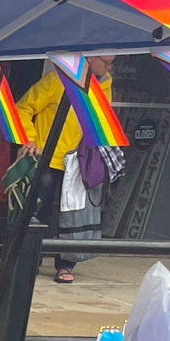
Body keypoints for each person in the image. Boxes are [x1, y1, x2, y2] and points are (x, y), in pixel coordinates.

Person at [17, 55, 114, 283]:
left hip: (80, 161)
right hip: (48, 158)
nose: (109, 67)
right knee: (38, 212)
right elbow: (22, 108)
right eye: (106, 61)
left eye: (112, 63)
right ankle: (29, 262)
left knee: (73, 216)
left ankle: (66, 265)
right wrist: (29, 139)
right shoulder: (55, 80)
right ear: (89, 58)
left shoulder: (105, 83)